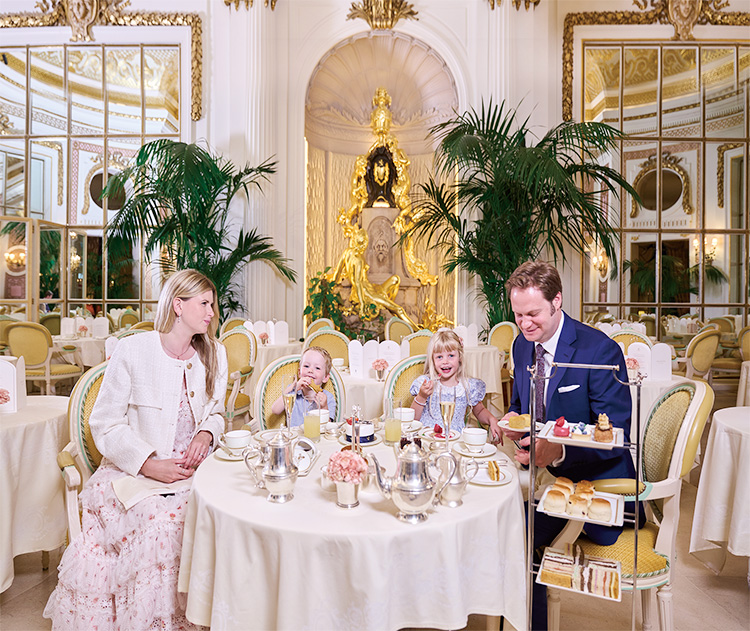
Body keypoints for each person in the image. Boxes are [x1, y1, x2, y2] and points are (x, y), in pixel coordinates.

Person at [44, 269, 228, 631]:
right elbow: (105, 424)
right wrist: (148, 464)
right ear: (178, 305)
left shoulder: (215, 354)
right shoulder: (134, 350)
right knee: (161, 525)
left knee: (221, 513)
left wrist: (207, 433)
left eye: (213, 305)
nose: (212, 313)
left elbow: (218, 413)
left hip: (194, 472)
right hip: (131, 474)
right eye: (204, 304)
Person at [491, 261, 637, 631]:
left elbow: (616, 432)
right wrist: (515, 423)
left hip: (593, 485)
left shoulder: (599, 350)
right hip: (538, 476)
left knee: (517, 538)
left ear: (557, 301)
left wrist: (558, 451)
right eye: (518, 315)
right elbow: (522, 407)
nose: (524, 324)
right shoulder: (522, 346)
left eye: (533, 314)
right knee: (493, 523)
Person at [410, 328, 499, 432]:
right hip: (427, 436)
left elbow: (480, 411)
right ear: (432, 360)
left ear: (460, 357)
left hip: (455, 438)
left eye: (451, 355)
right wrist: (421, 396)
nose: (445, 361)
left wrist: (492, 419)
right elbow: (413, 420)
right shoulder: (424, 384)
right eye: (439, 357)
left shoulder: (467, 386)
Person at [271, 346, 336, 426]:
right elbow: (275, 410)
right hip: (295, 433)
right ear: (299, 373)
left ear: (325, 377)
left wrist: (324, 407)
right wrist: (294, 387)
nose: (310, 370)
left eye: (317, 368)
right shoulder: (292, 392)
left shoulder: (328, 397)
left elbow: (328, 426)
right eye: (306, 366)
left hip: (316, 433)